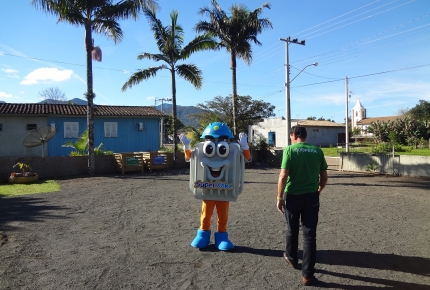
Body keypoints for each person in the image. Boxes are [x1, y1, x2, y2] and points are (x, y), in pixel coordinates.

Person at [180, 122, 251, 250]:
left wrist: (245, 147)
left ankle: (222, 237)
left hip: (225, 189)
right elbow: (190, 156)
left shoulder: (233, 151)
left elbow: (247, 158)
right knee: (206, 214)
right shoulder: (200, 149)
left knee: (223, 215)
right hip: (208, 189)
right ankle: (203, 235)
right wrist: (186, 146)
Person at [276, 125, 328, 286]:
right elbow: (324, 176)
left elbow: (283, 175)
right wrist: (318, 189)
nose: (290, 137)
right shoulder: (317, 151)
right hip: (311, 196)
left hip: (292, 196)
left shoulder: (290, 150)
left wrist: (279, 197)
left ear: (295, 135)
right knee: (310, 236)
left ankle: (291, 258)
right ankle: (307, 275)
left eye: (291, 135)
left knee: (292, 230)